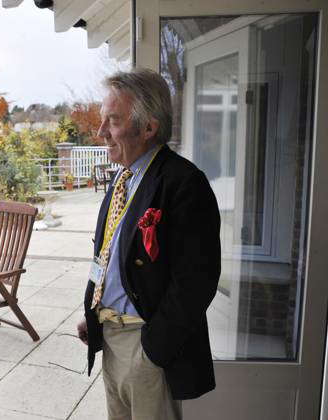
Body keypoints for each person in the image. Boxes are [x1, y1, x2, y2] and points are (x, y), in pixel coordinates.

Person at [77, 68, 221, 420]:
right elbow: (109, 252)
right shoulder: (124, 178)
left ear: (149, 127)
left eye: (112, 121)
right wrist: (95, 308)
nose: (100, 133)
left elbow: (195, 282)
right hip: (111, 337)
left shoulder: (184, 183)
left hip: (146, 344)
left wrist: (153, 350)